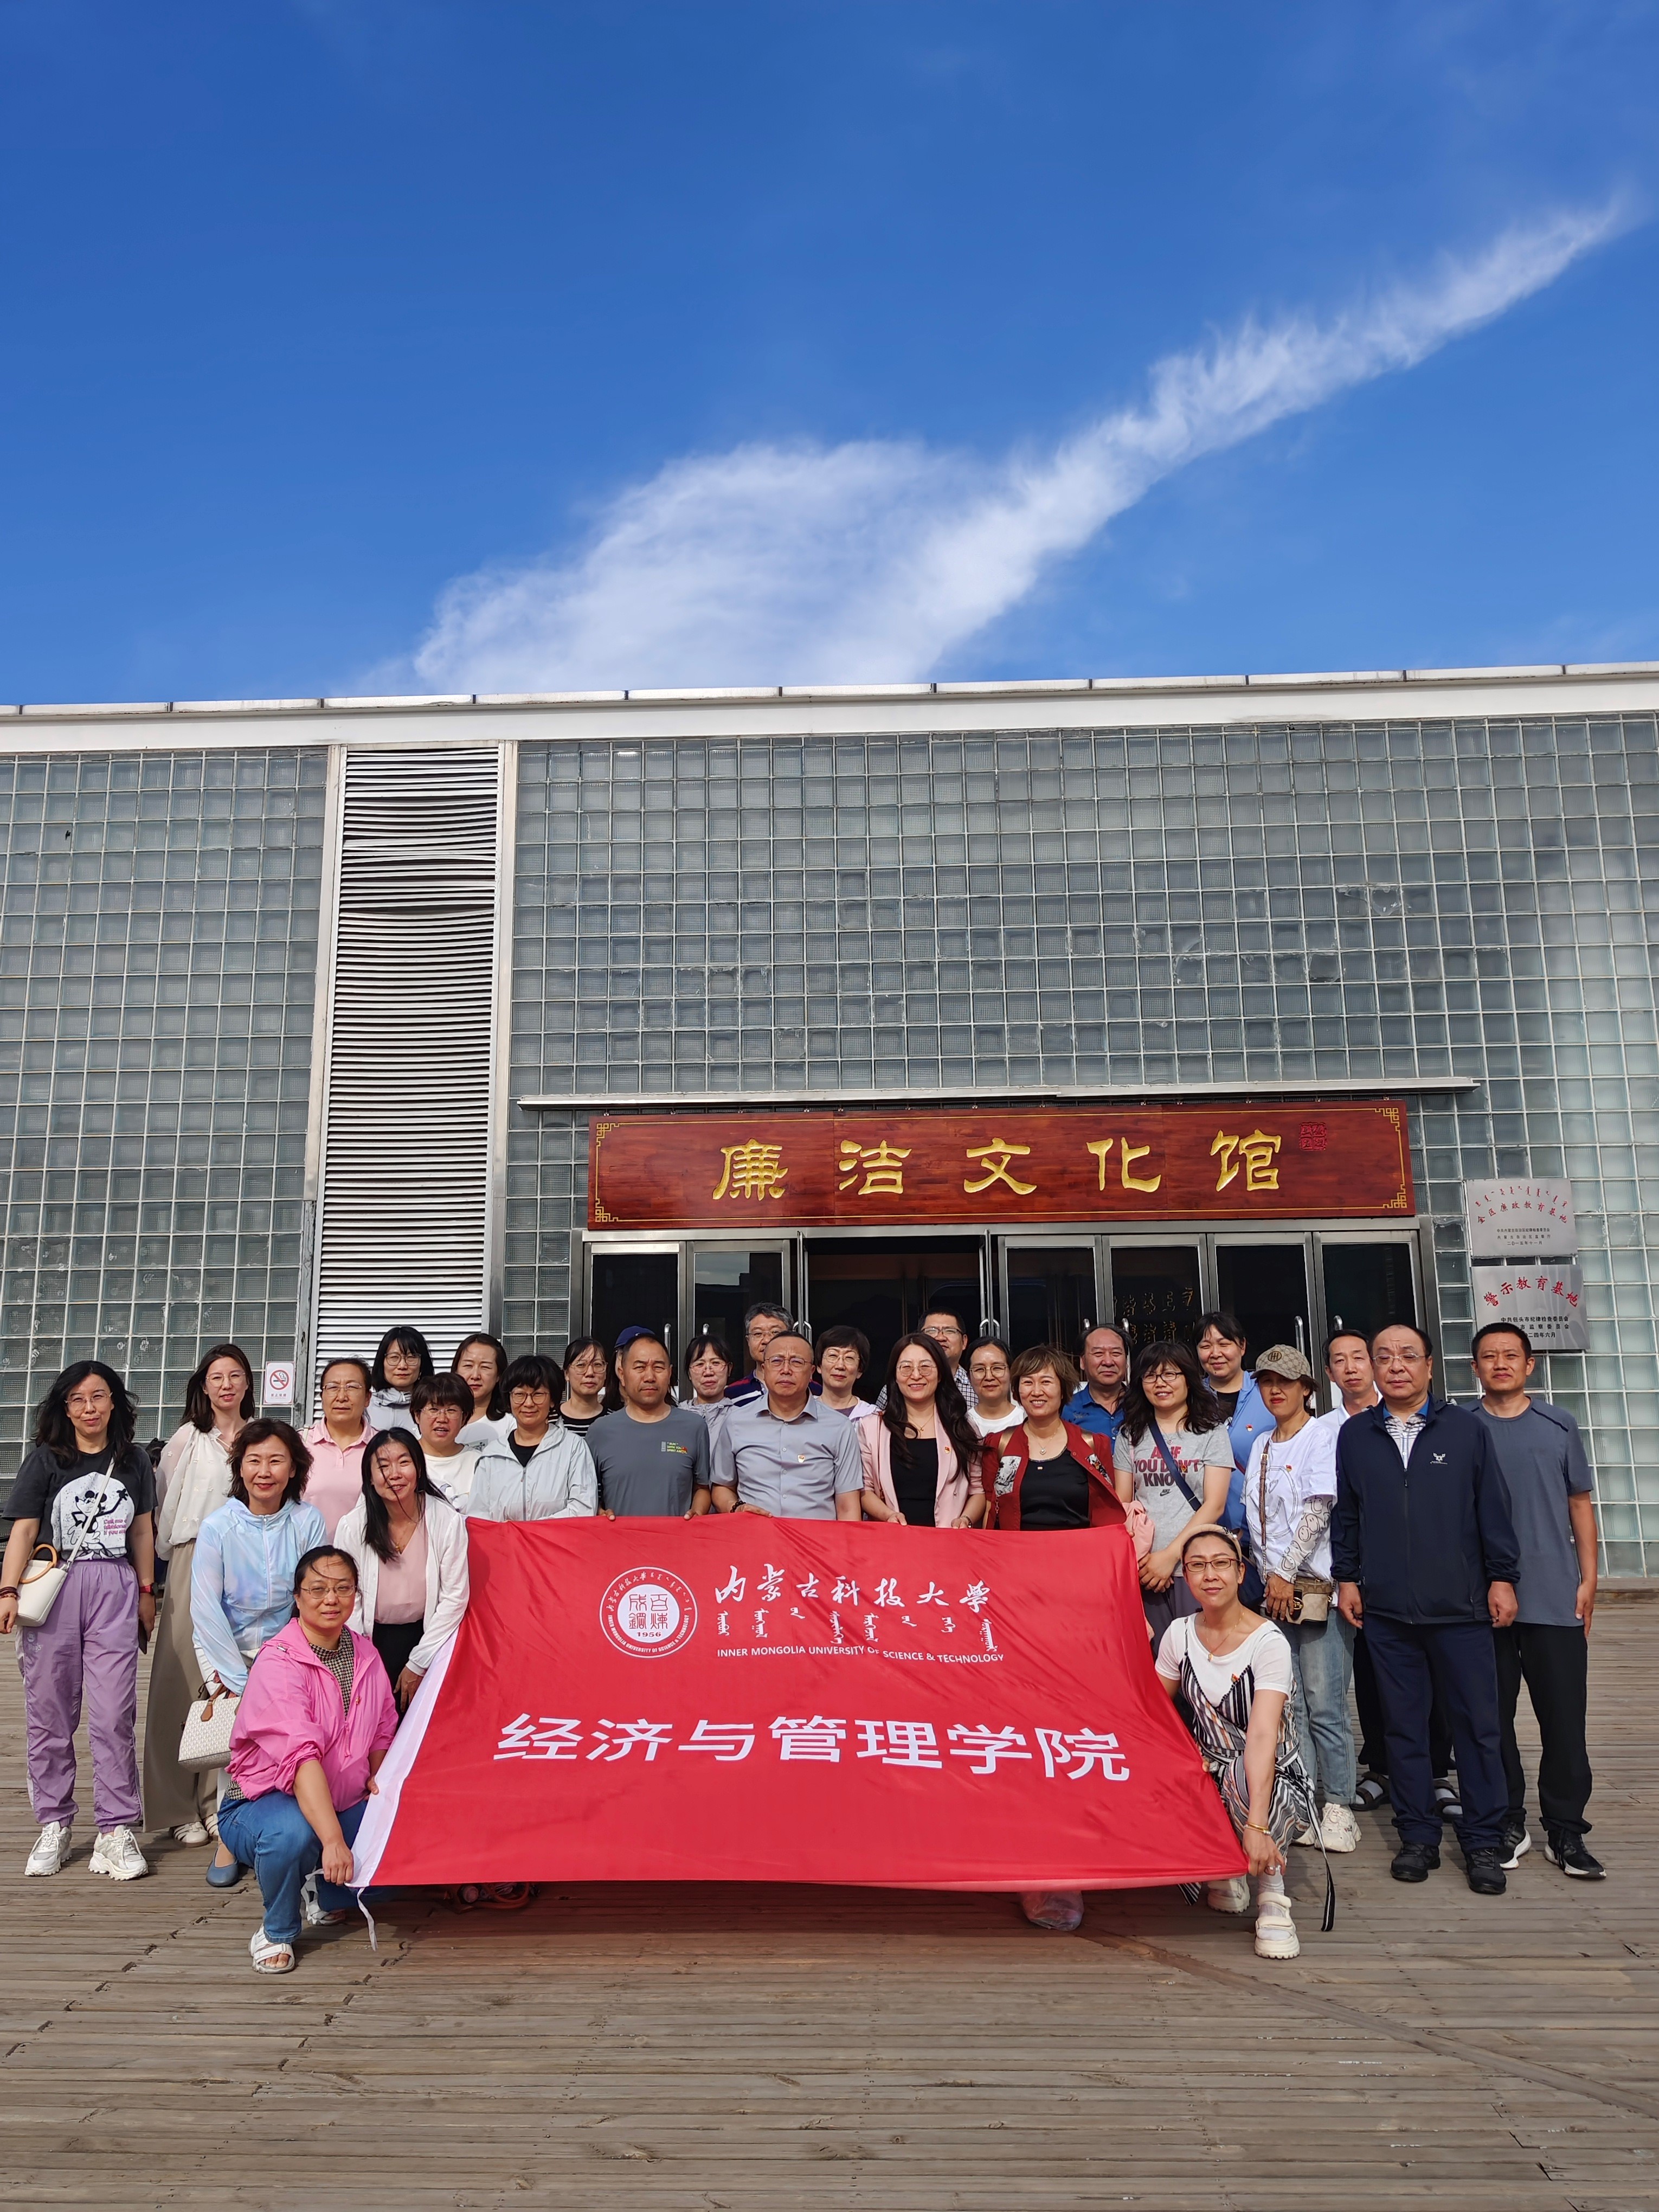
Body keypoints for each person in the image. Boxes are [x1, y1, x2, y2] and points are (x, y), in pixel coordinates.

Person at [1333, 1323, 1520, 1895]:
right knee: (1403, 1728)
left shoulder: (1464, 1430)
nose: (1396, 1366)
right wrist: (1347, 1577)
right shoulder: (1357, 1435)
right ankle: (1417, 1835)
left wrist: (1503, 1578)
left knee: (1478, 1729)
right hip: (1388, 1613)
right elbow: (1349, 1513)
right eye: (1384, 1357)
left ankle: (1483, 1842)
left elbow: (1493, 1509)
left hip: (1461, 1610)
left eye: (1408, 1356)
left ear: (1430, 1366)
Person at [988, 1346, 1137, 1934]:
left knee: (1076, 1732)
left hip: (1082, 1610)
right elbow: (990, 1524)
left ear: (1064, 1388)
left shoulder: (1095, 1445)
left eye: (1046, 1382)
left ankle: (1078, 1856)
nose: (1036, 1391)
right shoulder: (999, 1447)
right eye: (1026, 1383)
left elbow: (1112, 1526)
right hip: (1017, 1611)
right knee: (1024, 1732)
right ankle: (1036, 1863)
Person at [0, 1360, 157, 1881]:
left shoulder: (134, 1460)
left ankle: (116, 1829)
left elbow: (142, 1531)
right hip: (54, 1587)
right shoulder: (46, 1459)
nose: (90, 1408)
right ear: (65, 1408)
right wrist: (7, 1589)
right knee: (49, 1711)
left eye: (99, 1396)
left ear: (115, 1402)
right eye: (78, 1399)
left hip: (115, 1587)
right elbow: (24, 1532)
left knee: (114, 1713)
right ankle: (55, 1821)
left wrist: (147, 1591)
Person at [216, 1546, 398, 1976]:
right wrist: (333, 1841)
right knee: (292, 1835)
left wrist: (379, 1781)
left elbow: (383, 1727)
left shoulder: (366, 1654)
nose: (331, 1599)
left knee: (399, 1840)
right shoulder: (278, 1662)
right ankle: (277, 1930)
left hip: (341, 1799)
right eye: (317, 1589)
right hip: (264, 1804)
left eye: (343, 1588)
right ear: (297, 1597)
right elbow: (301, 1759)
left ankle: (323, 1893)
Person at [1470, 1322, 1603, 1877]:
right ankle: (1508, 1820)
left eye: (1511, 1355)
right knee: (1491, 1720)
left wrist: (1589, 1579)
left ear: (1529, 1365)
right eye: (1489, 1356)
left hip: (1554, 1595)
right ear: (1475, 1367)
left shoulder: (1559, 1423)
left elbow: (1579, 1504)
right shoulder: (1462, 1427)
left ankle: (1566, 1830)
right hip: (1481, 1601)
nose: (1500, 1363)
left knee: (1564, 1720)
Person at [1319, 1329, 1454, 1817]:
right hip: (1358, 1573)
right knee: (1373, 1676)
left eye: (1359, 1356)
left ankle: (1435, 1772)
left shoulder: (1421, 1420)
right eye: (1340, 1360)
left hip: (1429, 1576)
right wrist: (1346, 1575)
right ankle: (1380, 1767)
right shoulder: (1326, 1429)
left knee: (1434, 1676)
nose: (1351, 1367)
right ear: (1329, 1373)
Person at [1155, 1526, 1307, 1961]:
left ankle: (1272, 1894)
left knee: (1247, 1774)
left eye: (1221, 1563)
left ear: (1241, 1572)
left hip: (1273, 1776)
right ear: (1186, 1575)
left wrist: (1256, 1827)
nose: (1210, 1575)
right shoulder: (1179, 1635)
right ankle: (1222, 1864)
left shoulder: (1269, 1643)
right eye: (1197, 1566)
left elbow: (1262, 1737)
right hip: (1209, 1765)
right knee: (1166, 1768)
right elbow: (1152, 1710)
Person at [193, 1419, 327, 1885]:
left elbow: (315, 1593)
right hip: (225, 1647)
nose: (264, 1471)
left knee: (297, 1739)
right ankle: (230, 1838)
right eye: (254, 1461)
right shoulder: (218, 1526)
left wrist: (282, 1662)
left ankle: (294, 1832)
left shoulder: (308, 1521)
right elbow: (205, 1608)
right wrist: (241, 1680)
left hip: (289, 1647)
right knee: (240, 1742)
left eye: (276, 1461)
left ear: (294, 1468)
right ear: (240, 1467)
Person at [1243, 1346, 1360, 1854]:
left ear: (1307, 1389)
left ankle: (1340, 1805)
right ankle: (1306, 1800)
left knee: (1325, 1703)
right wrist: (1268, 1577)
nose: (1276, 1390)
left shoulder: (1323, 1436)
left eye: (1286, 1382)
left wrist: (1284, 1573)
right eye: (1267, 1382)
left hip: (1315, 1590)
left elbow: (1318, 1511)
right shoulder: (1262, 1443)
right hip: (1275, 1592)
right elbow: (1257, 1520)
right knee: (1288, 1704)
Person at [144, 1342, 254, 1846]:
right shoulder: (189, 1438)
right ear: (204, 1387)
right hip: (192, 1557)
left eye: (235, 1376)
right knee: (180, 1677)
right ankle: (176, 1806)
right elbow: (162, 1501)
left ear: (248, 1383)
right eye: (217, 1377)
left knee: (230, 1679)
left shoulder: (261, 1434)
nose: (227, 1385)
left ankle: (217, 1801)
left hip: (246, 1560)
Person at [335, 1429, 470, 1708]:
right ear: (370, 1478)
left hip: (430, 1638)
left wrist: (420, 1662)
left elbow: (455, 1598)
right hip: (370, 1640)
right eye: (383, 1466)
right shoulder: (353, 1526)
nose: (394, 1474)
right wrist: (363, 1656)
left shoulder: (446, 1521)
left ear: (419, 1469)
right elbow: (348, 1594)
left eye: (404, 1463)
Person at [1113, 1341, 1234, 1637]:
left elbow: (1215, 1505)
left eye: (1170, 1374)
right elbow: (1123, 1505)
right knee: (1155, 1656)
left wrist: (1170, 1557)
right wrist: (1146, 1562)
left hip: (1196, 1564)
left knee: (1200, 1650)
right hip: (1145, 1569)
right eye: (1151, 1376)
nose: (1160, 1383)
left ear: (1188, 1379)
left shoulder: (1211, 1431)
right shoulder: (1130, 1435)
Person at [711, 1331, 864, 1519]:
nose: (786, 1370)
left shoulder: (839, 1427)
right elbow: (722, 1487)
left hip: (815, 1536)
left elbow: (848, 1507)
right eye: (776, 1361)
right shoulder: (736, 1422)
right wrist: (736, 1507)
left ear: (811, 1372)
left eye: (797, 1362)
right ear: (764, 1369)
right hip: (754, 1534)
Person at [855, 1335, 986, 1527]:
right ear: (895, 1376)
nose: (916, 1375)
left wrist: (965, 1519)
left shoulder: (961, 1426)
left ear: (940, 1375)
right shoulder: (872, 1427)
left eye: (925, 1367)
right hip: (893, 1537)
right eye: (906, 1367)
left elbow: (978, 1491)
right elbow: (865, 1490)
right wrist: (888, 1515)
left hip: (949, 1537)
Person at [587, 1328, 712, 1517]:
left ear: (669, 1373)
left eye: (658, 1368)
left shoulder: (695, 1427)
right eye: (640, 1367)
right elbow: (586, 1494)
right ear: (622, 1374)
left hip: (677, 1535)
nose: (649, 1377)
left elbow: (702, 1487)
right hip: (618, 1536)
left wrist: (697, 1513)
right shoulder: (600, 1431)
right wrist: (598, 1513)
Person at [467, 1355, 597, 1520]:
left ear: (552, 1400)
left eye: (538, 1394)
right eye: (520, 1394)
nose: (528, 1403)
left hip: (555, 1538)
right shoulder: (492, 1455)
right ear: (509, 1399)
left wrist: (530, 1531)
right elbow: (478, 1516)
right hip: (503, 1538)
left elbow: (583, 1508)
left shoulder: (573, 1448)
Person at [1195, 1310, 1271, 1532]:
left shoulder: (1267, 1392)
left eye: (1224, 1344)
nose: (1215, 1354)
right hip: (1203, 1532)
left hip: (1263, 1530)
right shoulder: (1190, 1398)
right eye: (1206, 1346)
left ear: (1242, 1346)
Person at [302, 1358, 375, 1539]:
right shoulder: (299, 1443)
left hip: (366, 1552)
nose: (342, 1397)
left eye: (352, 1387)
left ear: (368, 1397)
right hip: (307, 1553)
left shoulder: (383, 1447)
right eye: (333, 1387)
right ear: (322, 1396)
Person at [411, 1373, 482, 1507]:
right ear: (417, 1415)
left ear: (464, 1418)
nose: (442, 1419)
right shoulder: (405, 1460)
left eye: (451, 1410)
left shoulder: (479, 1463)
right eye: (434, 1409)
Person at [1064, 1324, 1130, 1443]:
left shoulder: (1143, 1405)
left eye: (1116, 1353)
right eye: (1099, 1354)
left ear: (1126, 1361)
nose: (1108, 1362)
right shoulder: (1066, 1409)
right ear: (1083, 1362)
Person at [366, 1325, 434, 1435]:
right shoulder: (365, 1406)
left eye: (411, 1358)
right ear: (382, 1363)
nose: (402, 1366)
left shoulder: (433, 1407)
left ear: (422, 1364)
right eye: (394, 1358)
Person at [724, 1303, 793, 1407]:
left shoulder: (812, 1391)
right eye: (758, 1334)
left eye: (775, 1332)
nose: (767, 1340)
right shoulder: (732, 1395)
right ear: (748, 1341)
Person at [450, 1332, 510, 1442]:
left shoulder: (510, 1424)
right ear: (456, 1371)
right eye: (468, 1366)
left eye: (485, 1367)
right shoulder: (439, 1420)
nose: (475, 1376)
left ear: (499, 1375)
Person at [815, 1324, 877, 1421]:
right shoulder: (801, 1411)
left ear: (860, 1370)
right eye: (833, 1356)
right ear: (819, 1366)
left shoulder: (872, 1416)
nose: (840, 1366)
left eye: (849, 1358)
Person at [966, 1337, 1024, 1441]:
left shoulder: (1026, 1420)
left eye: (997, 1368)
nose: (989, 1377)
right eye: (979, 1369)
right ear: (969, 1377)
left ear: (1011, 1373)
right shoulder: (961, 1426)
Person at [682, 1332, 737, 1439]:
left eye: (716, 1363)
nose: (708, 1372)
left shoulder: (742, 1418)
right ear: (689, 1373)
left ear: (729, 1369)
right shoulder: (676, 1418)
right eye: (700, 1364)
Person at [558, 1337, 610, 1435]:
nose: (590, 1373)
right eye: (581, 1365)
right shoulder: (549, 1421)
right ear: (567, 1373)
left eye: (598, 1365)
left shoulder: (616, 1422)